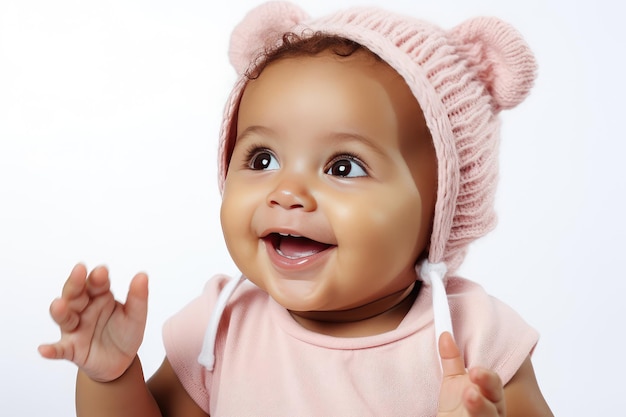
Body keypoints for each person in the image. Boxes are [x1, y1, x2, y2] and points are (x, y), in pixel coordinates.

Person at [38, 2, 554, 416]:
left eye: (344, 167)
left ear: (442, 211)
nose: (287, 192)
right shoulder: (222, 327)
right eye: (262, 158)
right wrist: (111, 377)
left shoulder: (474, 339)